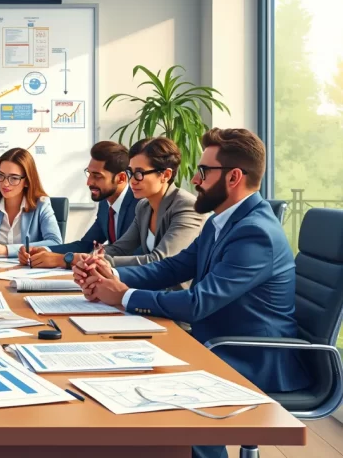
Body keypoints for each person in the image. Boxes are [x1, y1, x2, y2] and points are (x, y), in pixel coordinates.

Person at [74, 128, 310, 458]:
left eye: (203, 172)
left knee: (150, 385)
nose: (195, 180)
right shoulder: (221, 220)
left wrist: (123, 295)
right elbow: (172, 268)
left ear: (234, 177)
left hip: (253, 356)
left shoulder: (255, 232)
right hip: (217, 340)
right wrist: (109, 276)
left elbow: (199, 303)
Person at [70, 138, 206, 286]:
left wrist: (102, 263)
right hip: (149, 291)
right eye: (131, 172)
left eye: (140, 173)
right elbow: (119, 249)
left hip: (177, 299)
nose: (132, 181)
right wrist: (90, 260)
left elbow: (160, 259)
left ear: (165, 175)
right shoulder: (143, 207)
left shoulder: (187, 207)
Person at [18, 141, 138, 268]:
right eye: (89, 173)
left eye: (97, 176)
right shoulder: (105, 203)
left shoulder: (139, 205)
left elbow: (130, 255)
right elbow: (87, 244)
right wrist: (45, 250)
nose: (89, 182)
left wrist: (62, 259)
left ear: (121, 178)